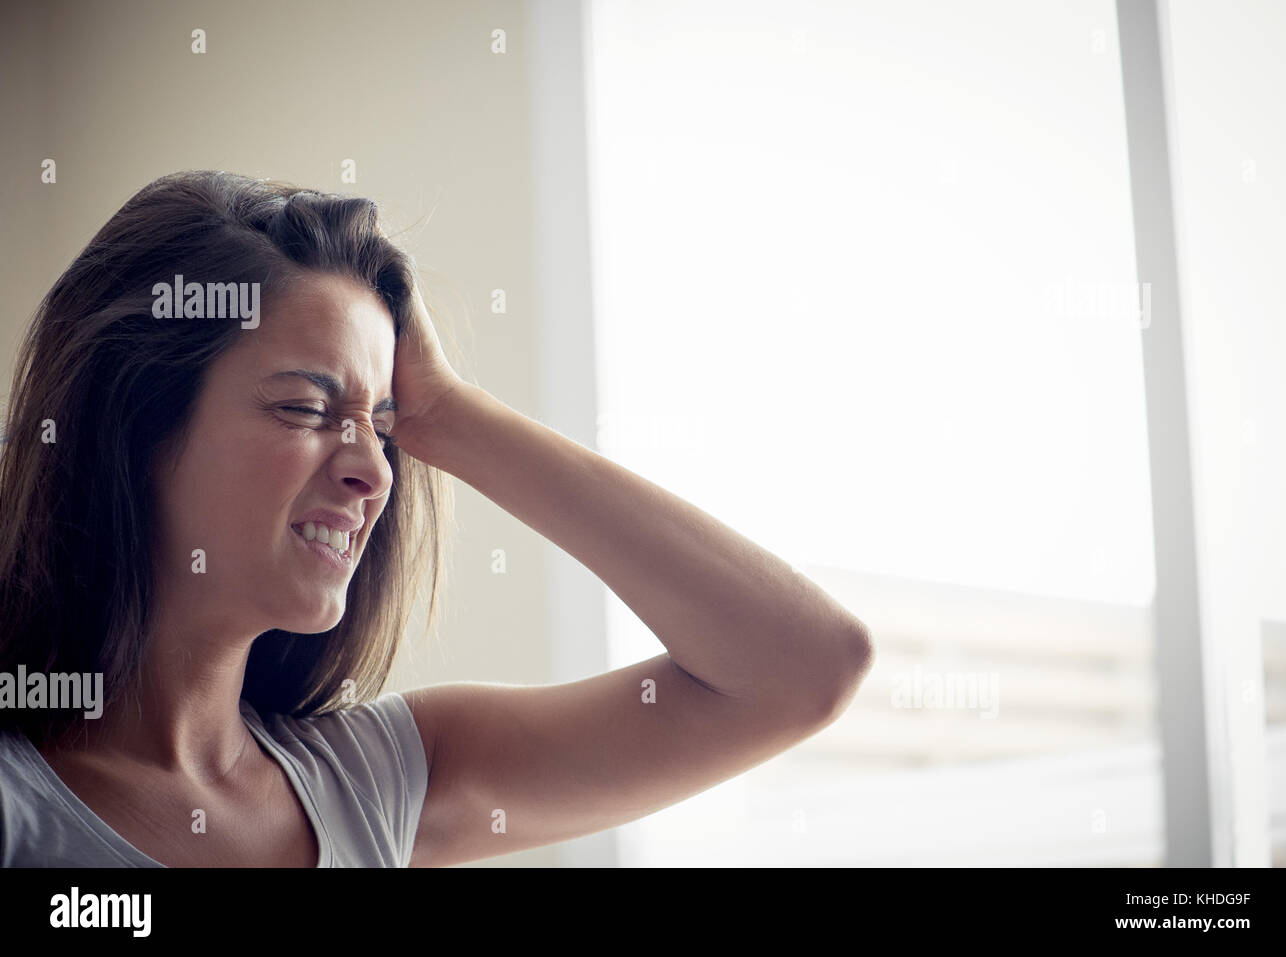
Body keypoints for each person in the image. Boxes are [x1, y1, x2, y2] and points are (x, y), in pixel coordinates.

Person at [0, 170, 873, 867]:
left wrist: (449, 414)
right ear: (135, 426)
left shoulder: (374, 781)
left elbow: (804, 667)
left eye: (383, 428)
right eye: (305, 408)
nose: (374, 471)